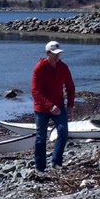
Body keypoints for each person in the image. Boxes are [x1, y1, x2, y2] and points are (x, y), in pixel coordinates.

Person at [30, 40, 75, 172]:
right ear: (47, 53)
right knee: (41, 137)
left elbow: (70, 87)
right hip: (41, 108)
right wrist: (49, 106)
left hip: (59, 105)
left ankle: (56, 162)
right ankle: (40, 167)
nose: (57, 56)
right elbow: (35, 91)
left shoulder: (63, 67)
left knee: (63, 131)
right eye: (54, 54)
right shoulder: (39, 68)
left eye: (58, 53)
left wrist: (70, 106)